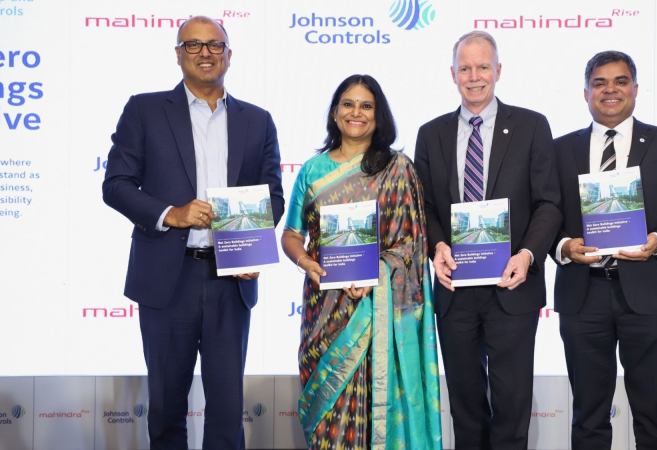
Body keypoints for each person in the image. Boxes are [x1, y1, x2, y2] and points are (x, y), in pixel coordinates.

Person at [102, 16, 284, 450]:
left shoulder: (258, 120)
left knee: (227, 409)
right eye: (193, 44)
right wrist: (172, 214)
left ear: (229, 55)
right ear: (178, 53)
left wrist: (251, 249)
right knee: (166, 405)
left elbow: (272, 195)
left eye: (215, 45)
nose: (205, 52)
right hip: (167, 278)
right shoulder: (144, 110)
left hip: (230, 280)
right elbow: (116, 185)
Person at [551, 50, 657, 450]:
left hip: (648, 292)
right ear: (586, 92)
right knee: (588, 415)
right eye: (600, 83)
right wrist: (563, 246)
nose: (610, 90)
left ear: (635, 89)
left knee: (654, 413)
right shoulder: (559, 149)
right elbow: (544, 214)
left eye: (620, 81)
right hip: (582, 294)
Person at [414, 31, 562, 449]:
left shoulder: (532, 126)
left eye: (482, 67)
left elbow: (549, 202)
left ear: (498, 70)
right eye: (465, 68)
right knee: (465, 407)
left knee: (512, 407)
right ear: (452, 74)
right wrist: (436, 246)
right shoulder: (431, 133)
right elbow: (424, 207)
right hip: (455, 289)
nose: (474, 76)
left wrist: (527, 255)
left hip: (512, 285)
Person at [281, 74, 441, 450]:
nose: (357, 112)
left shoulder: (398, 169)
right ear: (334, 113)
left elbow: (412, 244)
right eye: (348, 104)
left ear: (378, 115)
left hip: (378, 308)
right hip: (325, 307)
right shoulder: (312, 170)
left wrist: (375, 276)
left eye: (366, 106)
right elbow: (291, 235)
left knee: (375, 406)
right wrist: (305, 262)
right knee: (326, 413)